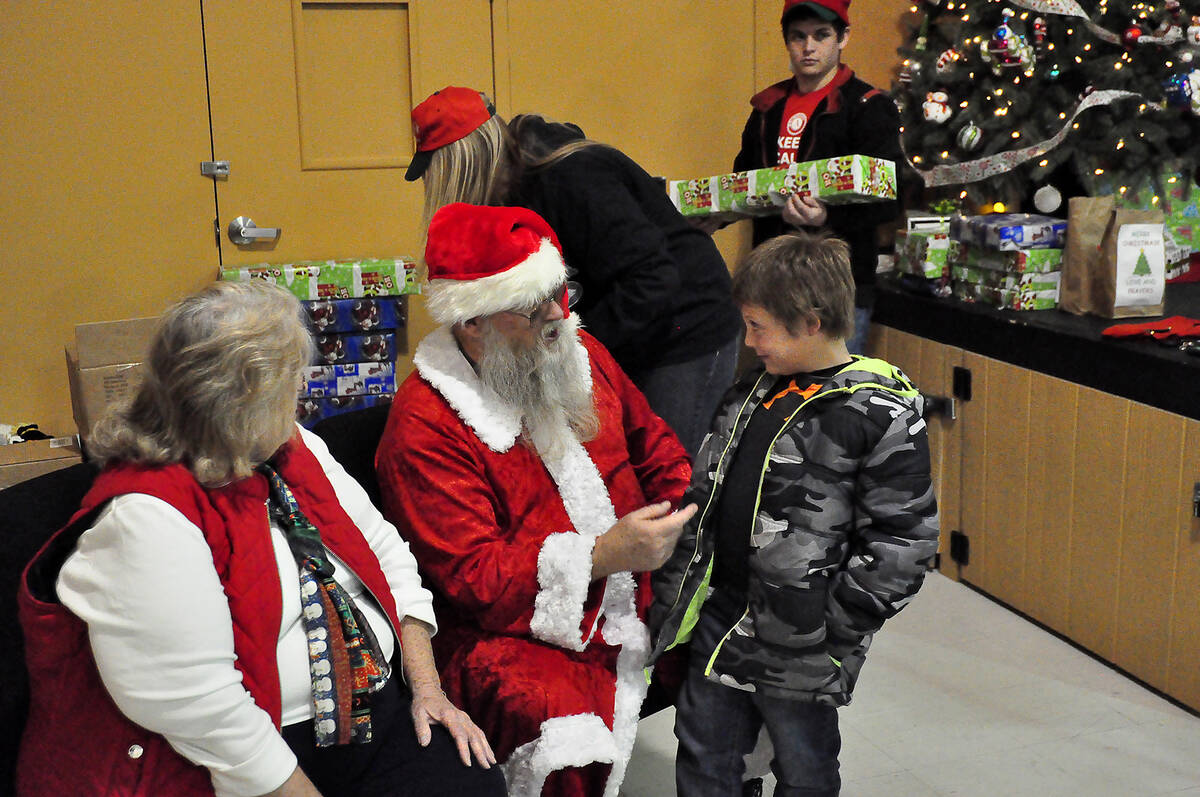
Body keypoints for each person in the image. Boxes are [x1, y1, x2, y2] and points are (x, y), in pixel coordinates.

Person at [16, 281, 505, 797]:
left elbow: (387, 555)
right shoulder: (143, 519)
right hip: (240, 757)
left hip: (367, 708)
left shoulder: (293, 449)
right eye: (292, 381)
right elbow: (209, 712)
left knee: (474, 783)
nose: (303, 393)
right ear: (240, 404)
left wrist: (428, 690)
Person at [375, 203, 697, 796]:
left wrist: (679, 513)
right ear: (472, 324)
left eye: (557, 292)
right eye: (532, 306)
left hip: (632, 587)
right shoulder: (425, 428)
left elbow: (656, 447)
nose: (556, 314)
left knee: (747, 641)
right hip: (503, 631)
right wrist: (601, 555)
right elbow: (474, 578)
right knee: (556, 725)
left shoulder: (578, 351)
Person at [646, 231, 939, 796]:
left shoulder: (878, 412)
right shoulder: (749, 393)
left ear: (809, 321)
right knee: (705, 750)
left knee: (803, 765)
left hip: (804, 642)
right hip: (721, 619)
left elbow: (905, 541)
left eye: (758, 326)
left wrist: (833, 625)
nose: (749, 341)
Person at [403, 85, 742, 457]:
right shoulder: (510, 192)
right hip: (639, 323)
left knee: (668, 472)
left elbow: (652, 279)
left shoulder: (571, 178)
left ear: (461, 162)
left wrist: (572, 347)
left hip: (689, 324)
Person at [732, 0, 902, 355]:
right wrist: (715, 216)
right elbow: (743, 183)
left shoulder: (869, 107)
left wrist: (827, 217)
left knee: (830, 396)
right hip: (772, 280)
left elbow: (891, 199)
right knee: (777, 399)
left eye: (821, 35)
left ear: (843, 37)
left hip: (837, 285)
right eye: (798, 36)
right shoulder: (767, 106)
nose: (808, 47)